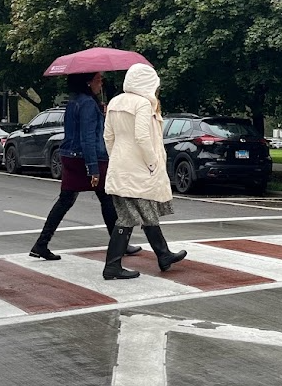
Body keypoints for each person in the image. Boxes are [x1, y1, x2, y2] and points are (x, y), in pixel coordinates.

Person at [29, 71, 142, 262]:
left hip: (70, 156)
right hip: (87, 158)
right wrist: (93, 168)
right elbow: (88, 137)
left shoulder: (74, 101)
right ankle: (119, 244)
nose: (101, 83)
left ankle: (41, 244)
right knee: (107, 200)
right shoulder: (88, 104)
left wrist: (100, 114)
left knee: (67, 201)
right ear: (88, 82)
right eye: (98, 80)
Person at [101, 62, 186, 279]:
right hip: (139, 169)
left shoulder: (115, 101)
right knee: (129, 217)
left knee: (139, 214)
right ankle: (112, 267)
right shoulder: (142, 104)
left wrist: (117, 158)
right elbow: (142, 137)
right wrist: (152, 163)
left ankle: (163, 254)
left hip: (120, 167)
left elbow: (108, 137)